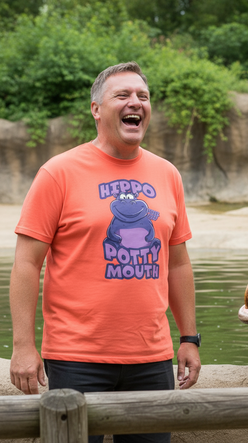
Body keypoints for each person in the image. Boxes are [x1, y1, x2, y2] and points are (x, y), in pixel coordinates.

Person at [9, 61, 201, 443]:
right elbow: (27, 263)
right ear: (96, 109)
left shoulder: (167, 174)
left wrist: (189, 339)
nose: (136, 102)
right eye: (123, 95)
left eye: (143, 96)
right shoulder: (58, 172)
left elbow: (177, 264)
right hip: (75, 357)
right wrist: (23, 347)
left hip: (152, 358)